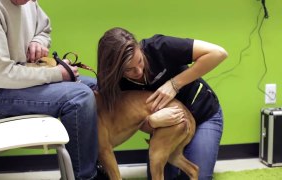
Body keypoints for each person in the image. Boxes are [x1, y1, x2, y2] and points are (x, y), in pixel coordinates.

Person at [0, 0, 100, 179]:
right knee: (80, 97)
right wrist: (57, 74)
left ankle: (93, 164)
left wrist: (38, 41)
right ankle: (85, 176)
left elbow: (44, 27)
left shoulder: (28, 2)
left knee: (94, 85)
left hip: (16, 82)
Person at [97, 27, 228, 180]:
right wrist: (151, 122)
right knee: (159, 171)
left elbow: (219, 53)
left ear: (140, 48)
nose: (139, 71)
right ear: (113, 70)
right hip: (165, 127)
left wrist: (175, 84)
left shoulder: (158, 47)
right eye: (128, 70)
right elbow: (129, 119)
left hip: (203, 114)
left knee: (198, 177)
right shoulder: (112, 85)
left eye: (140, 61)